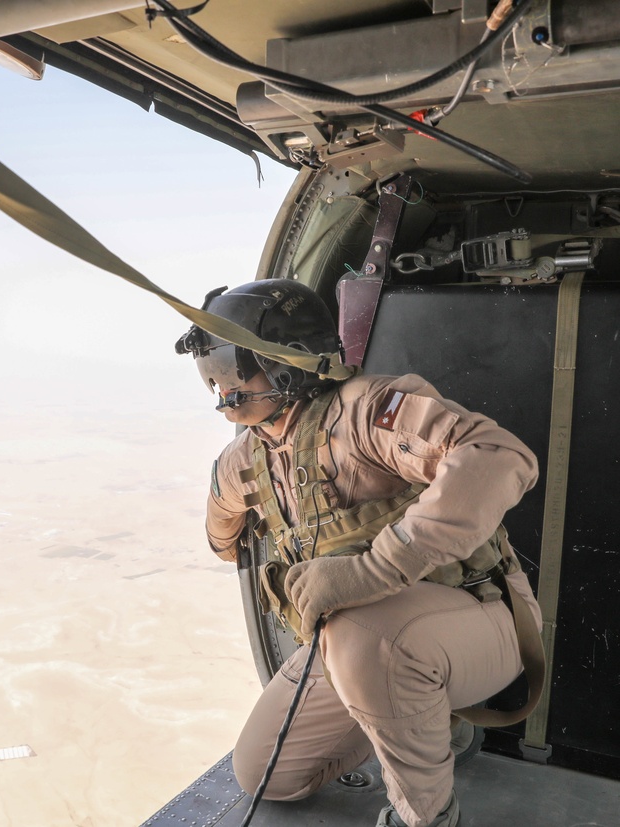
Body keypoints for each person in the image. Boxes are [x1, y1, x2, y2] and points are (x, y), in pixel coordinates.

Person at [175, 278, 543, 827]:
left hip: (482, 618)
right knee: (266, 776)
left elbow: (499, 455)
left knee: (363, 633)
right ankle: (426, 723)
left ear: (283, 362)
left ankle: (429, 815)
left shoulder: (367, 411)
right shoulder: (244, 459)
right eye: (212, 371)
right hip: (361, 647)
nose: (219, 387)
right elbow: (221, 536)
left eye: (229, 367)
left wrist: (375, 569)